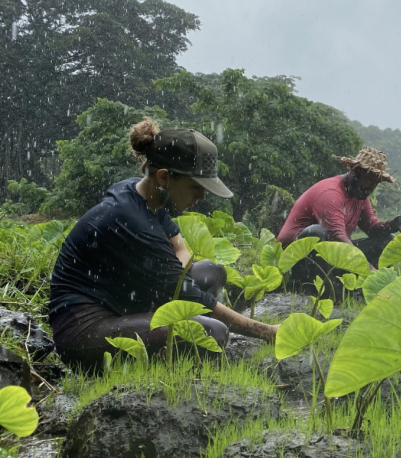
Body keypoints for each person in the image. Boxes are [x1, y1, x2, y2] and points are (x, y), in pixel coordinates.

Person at [49, 118, 278, 370]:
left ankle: (170, 336)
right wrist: (268, 331)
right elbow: (192, 296)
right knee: (212, 332)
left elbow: (180, 248)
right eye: (195, 187)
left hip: (123, 301)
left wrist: (179, 279)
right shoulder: (132, 221)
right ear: (164, 176)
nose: (201, 197)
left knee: (212, 271)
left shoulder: (142, 195)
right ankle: (167, 352)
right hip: (85, 332)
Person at [277, 147, 401, 290]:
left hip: (330, 257)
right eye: (369, 180)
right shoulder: (331, 193)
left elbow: (371, 228)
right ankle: (326, 290)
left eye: (376, 182)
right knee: (317, 233)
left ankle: (364, 288)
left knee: (386, 239)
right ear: (356, 172)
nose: (372, 187)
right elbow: (337, 236)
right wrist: (369, 270)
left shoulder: (359, 194)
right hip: (297, 262)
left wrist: (395, 223)